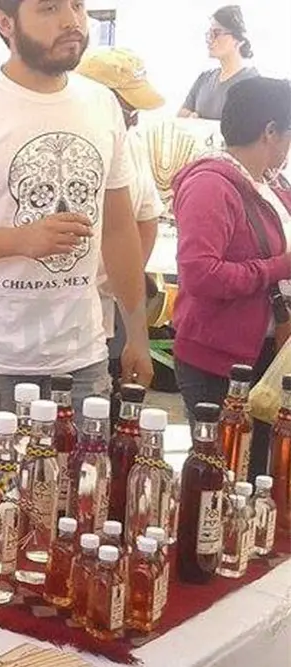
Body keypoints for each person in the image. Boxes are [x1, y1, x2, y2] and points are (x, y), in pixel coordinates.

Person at [0, 0, 154, 412]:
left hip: (81, 353)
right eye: (49, 8)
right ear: (6, 23)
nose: (71, 20)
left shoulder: (102, 104)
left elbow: (121, 228)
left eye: (77, 5)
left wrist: (136, 334)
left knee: (81, 476)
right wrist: (20, 239)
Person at [172, 77, 291, 480]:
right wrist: (279, 267)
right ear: (270, 131)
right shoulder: (211, 185)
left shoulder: (271, 184)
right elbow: (201, 275)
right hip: (218, 359)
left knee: (261, 472)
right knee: (223, 475)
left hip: (265, 353)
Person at [76, 48, 166, 384]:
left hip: (110, 311)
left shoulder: (133, 144)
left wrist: (125, 277)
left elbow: (146, 217)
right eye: (128, 110)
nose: (134, 120)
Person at [179, 5, 259, 121]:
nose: (209, 39)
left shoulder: (253, 83)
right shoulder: (204, 78)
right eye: (209, 33)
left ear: (238, 39)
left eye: (216, 33)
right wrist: (191, 117)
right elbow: (182, 112)